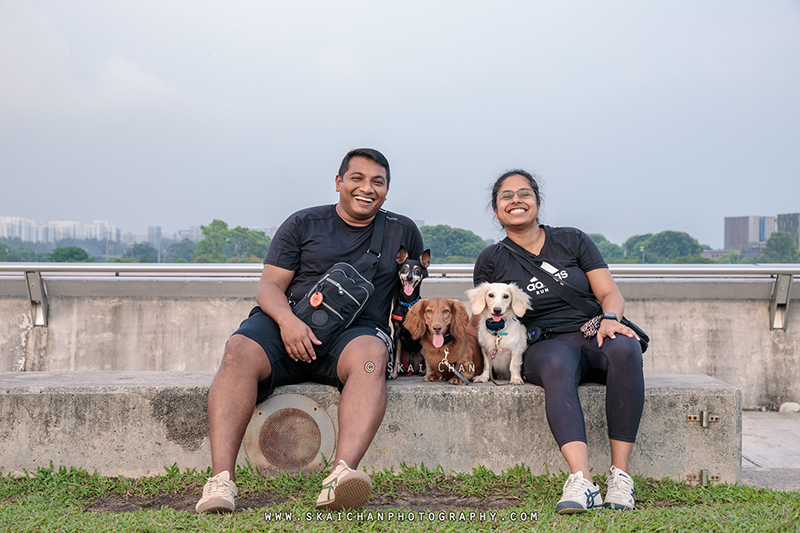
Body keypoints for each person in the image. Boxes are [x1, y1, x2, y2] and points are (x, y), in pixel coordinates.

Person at [195, 148, 424, 514]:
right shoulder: (303, 223)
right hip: (290, 323)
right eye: (357, 179)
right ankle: (221, 481)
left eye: (377, 182)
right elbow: (269, 286)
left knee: (372, 356)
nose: (367, 188)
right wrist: (288, 322)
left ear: (386, 190)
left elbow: (409, 295)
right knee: (239, 349)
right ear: (339, 182)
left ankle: (340, 477)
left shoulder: (402, 231)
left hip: (355, 335)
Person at [472, 169, 644, 515]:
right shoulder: (491, 259)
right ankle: (582, 480)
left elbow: (609, 292)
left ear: (537, 202)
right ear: (496, 209)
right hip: (545, 343)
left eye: (524, 193)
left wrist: (611, 318)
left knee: (626, 349)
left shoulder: (572, 240)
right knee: (556, 364)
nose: (516, 200)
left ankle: (620, 477)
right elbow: (487, 317)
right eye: (506, 196)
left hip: (594, 331)